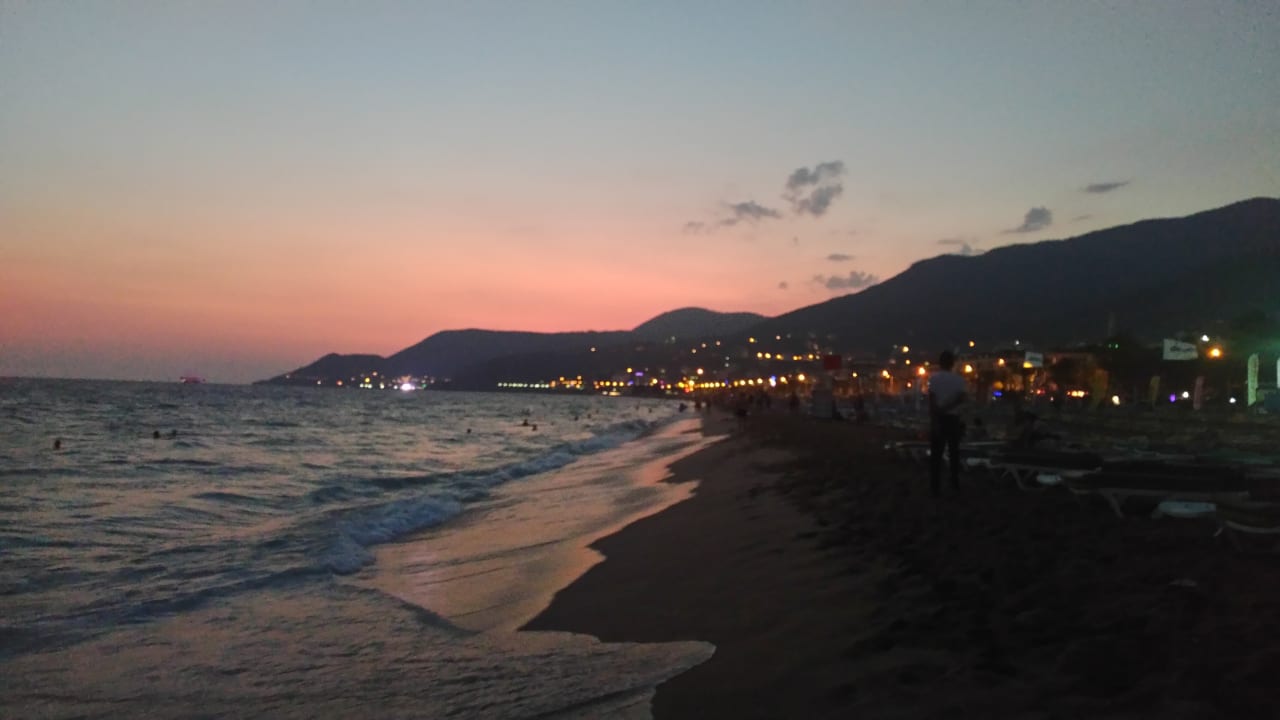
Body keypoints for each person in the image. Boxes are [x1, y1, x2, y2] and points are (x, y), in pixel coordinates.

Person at [928, 350, 967, 495]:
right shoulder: (959, 380)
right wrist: (947, 408)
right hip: (953, 419)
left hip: (939, 418)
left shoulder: (934, 379)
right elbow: (961, 399)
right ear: (952, 363)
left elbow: (931, 401)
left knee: (936, 455)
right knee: (954, 453)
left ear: (940, 363)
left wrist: (936, 417)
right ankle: (954, 483)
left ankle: (935, 487)